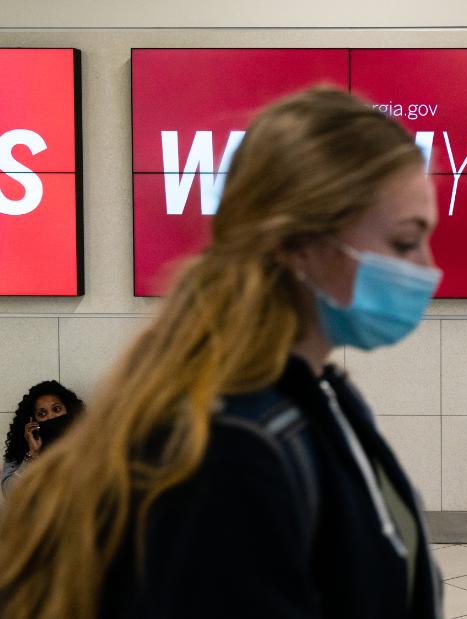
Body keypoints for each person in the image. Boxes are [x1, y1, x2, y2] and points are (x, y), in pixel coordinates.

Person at [0, 87, 443, 618]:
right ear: (300, 243)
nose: (426, 268)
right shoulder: (232, 453)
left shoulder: (322, 397)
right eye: (402, 242)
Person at [1, 380, 84, 495]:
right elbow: (10, 494)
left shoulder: (87, 442)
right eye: (42, 414)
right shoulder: (20, 449)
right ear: (33, 420)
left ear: (68, 410)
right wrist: (32, 453)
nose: (51, 417)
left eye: (56, 409)